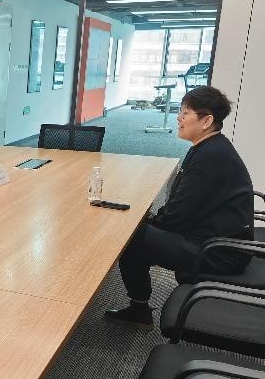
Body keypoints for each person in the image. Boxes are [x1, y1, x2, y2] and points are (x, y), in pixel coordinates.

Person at [105, 86, 254, 328]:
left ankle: (139, 311)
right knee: (139, 229)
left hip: (219, 251)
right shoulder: (211, 147)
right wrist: (153, 219)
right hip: (214, 237)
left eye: (185, 113)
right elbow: (182, 207)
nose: (178, 118)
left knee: (132, 237)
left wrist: (146, 221)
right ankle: (139, 307)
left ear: (206, 121)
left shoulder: (211, 156)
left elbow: (177, 218)